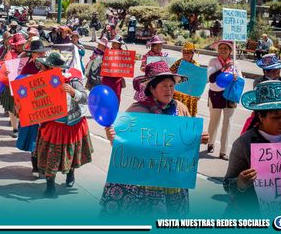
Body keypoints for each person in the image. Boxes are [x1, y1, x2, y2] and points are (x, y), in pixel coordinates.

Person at [101, 61, 209, 215]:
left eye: (171, 86)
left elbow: (186, 144)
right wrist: (113, 138)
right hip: (142, 181)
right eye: (164, 86)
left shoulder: (181, 109)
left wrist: (197, 139)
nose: (169, 90)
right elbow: (121, 147)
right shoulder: (137, 111)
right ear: (152, 88)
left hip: (171, 179)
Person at [223, 81, 281, 215]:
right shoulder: (244, 144)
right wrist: (240, 182)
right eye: (276, 117)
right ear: (261, 117)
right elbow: (227, 184)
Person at [34, 52, 93, 198]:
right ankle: (50, 185)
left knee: (70, 153)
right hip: (53, 124)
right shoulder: (40, 80)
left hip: (72, 123)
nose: (43, 69)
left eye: (46, 67)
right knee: (51, 156)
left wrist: (73, 92)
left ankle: (71, 174)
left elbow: (85, 97)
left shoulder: (72, 80)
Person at [16, 38, 50, 176]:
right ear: (32, 54)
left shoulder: (50, 66)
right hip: (32, 108)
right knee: (34, 138)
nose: (40, 55)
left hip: (47, 106)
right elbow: (20, 88)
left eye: (41, 52)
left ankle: (46, 166)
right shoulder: (27, 68)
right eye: (37, 53)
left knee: (47, 138)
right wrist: (18, 105)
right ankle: (36, 167)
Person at [207, 40, 241, 160]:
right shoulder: (213, 61)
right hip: (216, 94)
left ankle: (223, 151)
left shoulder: (235, 63)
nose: (222, 50)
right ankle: (210, 142)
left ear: (230, 51)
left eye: (225, 48)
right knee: (214, 121)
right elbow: (211, 78)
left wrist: (236, 77)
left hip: (230, 96)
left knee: (228, 123)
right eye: (220, 48)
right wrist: (224, 68)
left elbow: (240, 79)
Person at [0, 33, 27, 134]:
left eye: (23, 44)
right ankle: (15, 128)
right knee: (12, 107)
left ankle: (21, 125)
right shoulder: (9, 54)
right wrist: (5, 70)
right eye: (19, 44)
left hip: (23, 85)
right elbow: (1, 63)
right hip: (10, 84)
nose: (21, 46)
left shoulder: (28, 54)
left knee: (23, 107)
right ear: (15, 45)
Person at [169, 42, 200, 116]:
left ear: (192, 54)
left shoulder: (196, 65)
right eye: (184, 52)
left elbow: (199, 81)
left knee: (189, 115)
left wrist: (198, 93)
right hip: (178, 93)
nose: (186, 54)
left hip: (190, 95)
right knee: (178, 113)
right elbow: (170, 74)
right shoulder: (178, 63)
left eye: (189, 52)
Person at [101, 35, 126, 104]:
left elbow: (126, 66)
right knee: (105, 96)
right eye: (113, 43)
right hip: (107, 79)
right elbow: (103, 63)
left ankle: (114, 112)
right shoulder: (108, 52)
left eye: (115, 43)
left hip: (117, 80)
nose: (113, 44)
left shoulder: (124, 54)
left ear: (119, 45)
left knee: (116, 96)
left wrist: (130, 63)